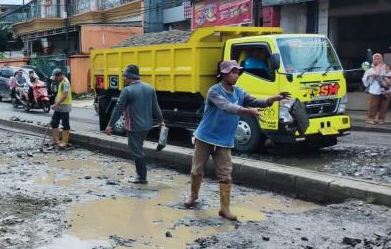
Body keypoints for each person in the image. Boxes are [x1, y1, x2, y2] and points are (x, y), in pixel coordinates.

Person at [183, 60, 289, 220]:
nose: (236, 75)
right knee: (197, 170)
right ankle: (193, 196)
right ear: (224, 74)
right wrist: (248, 111)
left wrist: (273, 99)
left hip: (224, 140)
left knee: (226, 174)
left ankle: (224, 209)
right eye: (233, 72)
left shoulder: (239, 92)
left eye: (237, 72)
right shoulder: (214, 91)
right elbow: (227, 107)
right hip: (205, 137)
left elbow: (255, 101)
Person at [105, 65, 164, 184]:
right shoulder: (150, 88)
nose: (124, 79)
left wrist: (110, 125)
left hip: (134, 127)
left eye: (125, 76)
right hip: (147, 126)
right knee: (139, 148)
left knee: (136, 151)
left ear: (129, 77)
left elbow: (118, 109)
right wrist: (161, 120)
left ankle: (142, 177)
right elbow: (155, 107)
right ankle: (141, 175)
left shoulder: (127, 90)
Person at [362, 53, 391, 125]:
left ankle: (381, 119)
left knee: (384, 106)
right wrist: (370, 76)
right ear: (373, 60)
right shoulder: (369, 70)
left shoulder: (386, 68)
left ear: (382, 59)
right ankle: (370, 118)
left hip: (386, 90)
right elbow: (364, 79)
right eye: (375, 59)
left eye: (378, 58)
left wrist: (389, 80)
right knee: (373, 105)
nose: (377, 60)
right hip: (374, 90)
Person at [50, 69, 72, 148]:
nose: (55, 79)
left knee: (65, 124)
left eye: (56, 78)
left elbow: (65, 95)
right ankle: (56, 140)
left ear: (59, 75)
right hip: (59, 106)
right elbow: (60, 94)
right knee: (54, 122)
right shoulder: (61, 82)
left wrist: (56, 104)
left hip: (64, 106)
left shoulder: (65, 82)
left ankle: (64, 142)